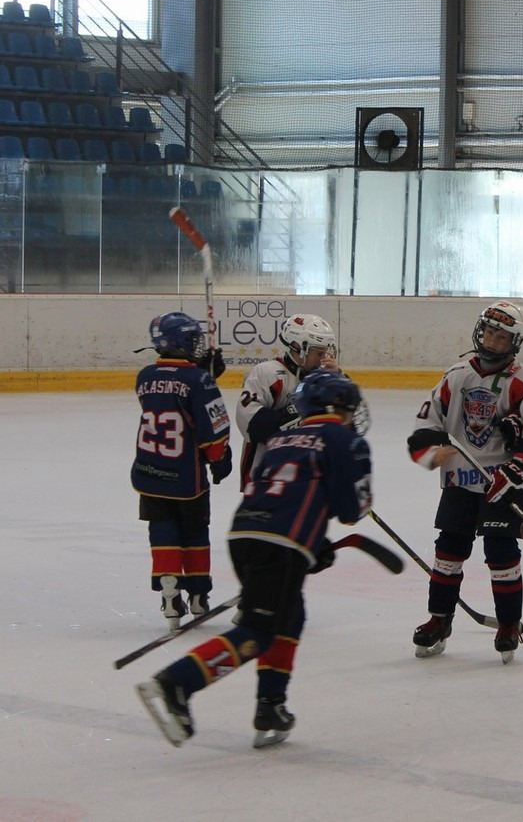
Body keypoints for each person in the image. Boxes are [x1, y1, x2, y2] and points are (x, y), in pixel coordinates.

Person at [136, 369, 373, 748]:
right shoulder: (344, 440)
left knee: (290, 616)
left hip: (244, 535)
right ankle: (176, 683)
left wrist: (313, 545)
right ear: (336, 407)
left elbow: (281, 491)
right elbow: (350, 510)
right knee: (259, 631)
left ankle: (271, 705)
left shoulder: (280, 439)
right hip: (281, 543)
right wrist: (311, 539)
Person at [406, 300, 523, 662]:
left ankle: (509, 625)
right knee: (448, 550)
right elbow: (426, 424)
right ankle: (439, 619)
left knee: (501, 552)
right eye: (488, 333)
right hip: (460, 479)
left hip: (504, 482)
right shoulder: (456, 376)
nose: (492, 341)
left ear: (514, 343)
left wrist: (515, 467)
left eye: (501, 338)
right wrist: (430, 452)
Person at [131, 312, 234, 630]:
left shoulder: (144, 376)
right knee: (194, 531)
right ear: (180, 342)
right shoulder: (199, 380)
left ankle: (169, 588)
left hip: (150, 471)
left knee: (161, 529)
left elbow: (171, 398)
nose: (197, 344)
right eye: (192, 339)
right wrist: (220, 458)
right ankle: (199, 594)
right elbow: (213, 432)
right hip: (186, 476)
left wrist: (202, 374)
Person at [235, 313, 339, 485]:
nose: (324, 359)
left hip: (307, 479)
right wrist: (299, 411)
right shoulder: (267, 374)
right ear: (298, 347)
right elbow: (251, 425)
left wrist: (338, 383)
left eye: (327, 352)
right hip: (265, 478)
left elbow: (350, 424)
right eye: (319, 353)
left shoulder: (325, 380)